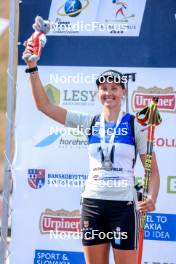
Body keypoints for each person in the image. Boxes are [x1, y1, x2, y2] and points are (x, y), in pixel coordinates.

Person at [23, 49, 160, 264]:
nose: (109, 93)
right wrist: (32, 68)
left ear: (123, 92)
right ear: (98, 93)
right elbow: (45, 106)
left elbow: (152, 170)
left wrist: (152, 197)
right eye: (104, 88)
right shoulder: (90, 122)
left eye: (114, 88)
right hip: (93, 205)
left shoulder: (136, 126)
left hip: (123, 206)